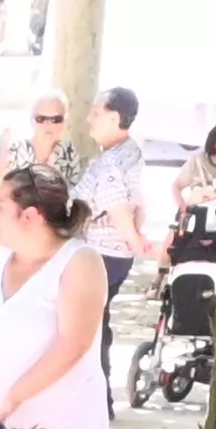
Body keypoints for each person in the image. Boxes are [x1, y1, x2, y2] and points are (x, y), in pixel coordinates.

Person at [0, 168, 111, 429]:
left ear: (30, 216)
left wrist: (12, 398)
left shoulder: (79, 262)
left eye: (0, 207)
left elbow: (74, 344)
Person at [74, 88, 153, 297]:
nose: (89, 118)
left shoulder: (111, 163)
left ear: (114, 118)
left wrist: (135, 241)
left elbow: (117, 206)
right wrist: (135, 235)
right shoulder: (130, 150)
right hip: (113, 255)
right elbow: (138, 201)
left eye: (96, 113)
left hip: (101, 255)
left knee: (89, 320)